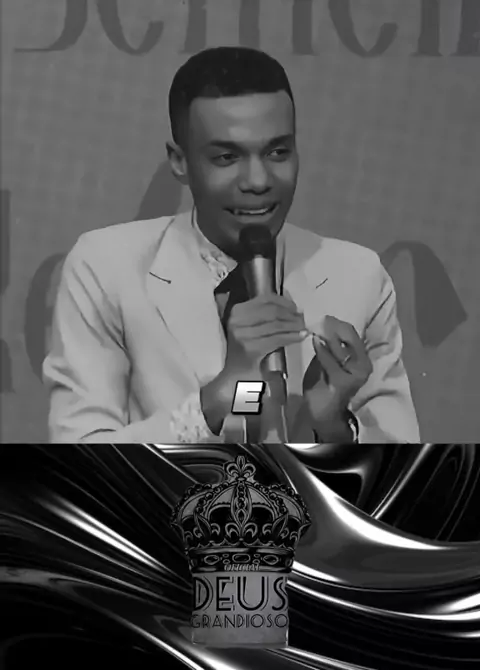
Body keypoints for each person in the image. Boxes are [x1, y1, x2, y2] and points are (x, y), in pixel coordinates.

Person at [44, 46, 420, 444]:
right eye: (227, 157)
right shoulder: (107, 268)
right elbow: (79, 458)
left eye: (277, 152)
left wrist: (334, 428)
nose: (258, 180)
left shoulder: (357, 277)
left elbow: (407, 466)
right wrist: (218, 399)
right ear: (179, 161)